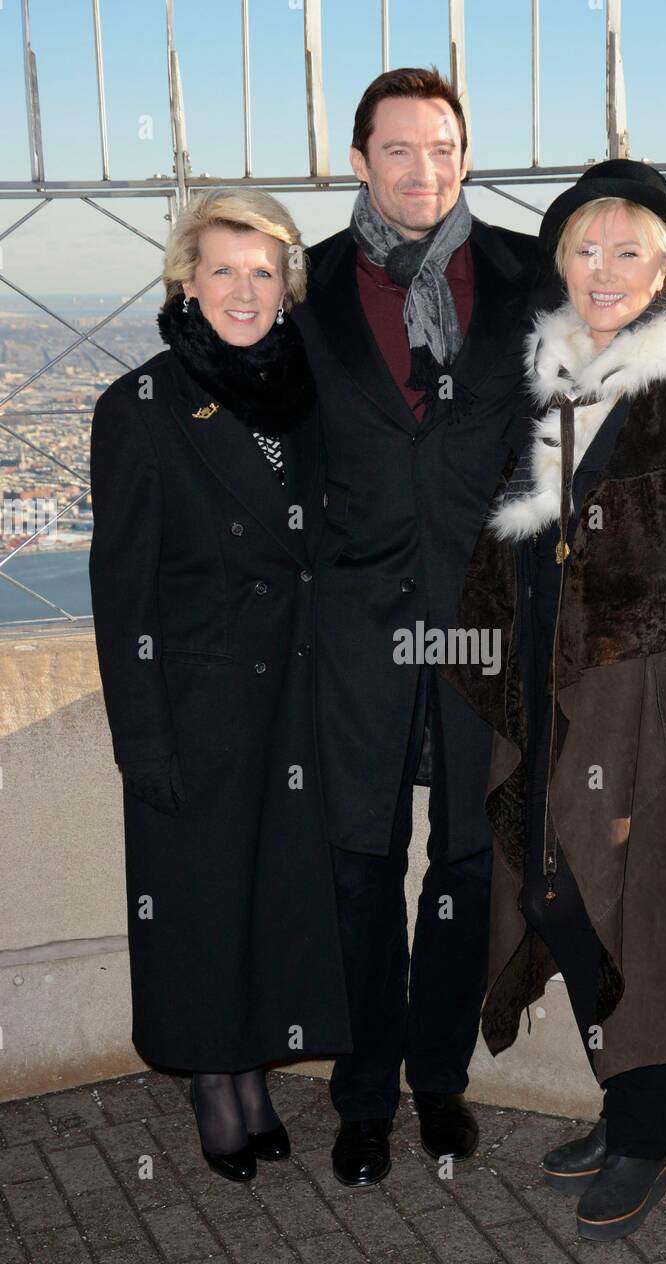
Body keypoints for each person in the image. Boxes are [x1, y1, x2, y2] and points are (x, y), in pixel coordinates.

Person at [294, 70, 666, 1189]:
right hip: (359, 637)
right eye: (397, 150)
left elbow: (660, 320)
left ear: (464, 156)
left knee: (474, 868)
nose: (422, 170)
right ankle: (364, 1098)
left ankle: (438, 1085)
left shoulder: (533, 265)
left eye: (442, 147)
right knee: (359, 871)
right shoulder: (306, 286)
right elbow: (242, 382)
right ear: (359, 158)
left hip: (495, 648)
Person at [442, 159, 666, 1242]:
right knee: (562, 895)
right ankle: (635, 1108)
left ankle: (643, 1127)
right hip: (556, 689)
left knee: (648, 920)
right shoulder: (544, 373)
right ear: (558, 263)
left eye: (627, 249)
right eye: (582, 250)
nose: (602, 270)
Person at [89, 188, 350, 1183]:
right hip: (195, 706)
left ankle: (247, 1066)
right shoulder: (142, 408)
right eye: (222, 269)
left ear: (287, 286)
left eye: (263, 269)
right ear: (185, 283)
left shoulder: (310, 393)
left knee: (266, 897)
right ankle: (214, 1078)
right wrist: (141, 738)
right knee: (200, 902)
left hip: (291, 698)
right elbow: (123, 593)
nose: (244, 289)